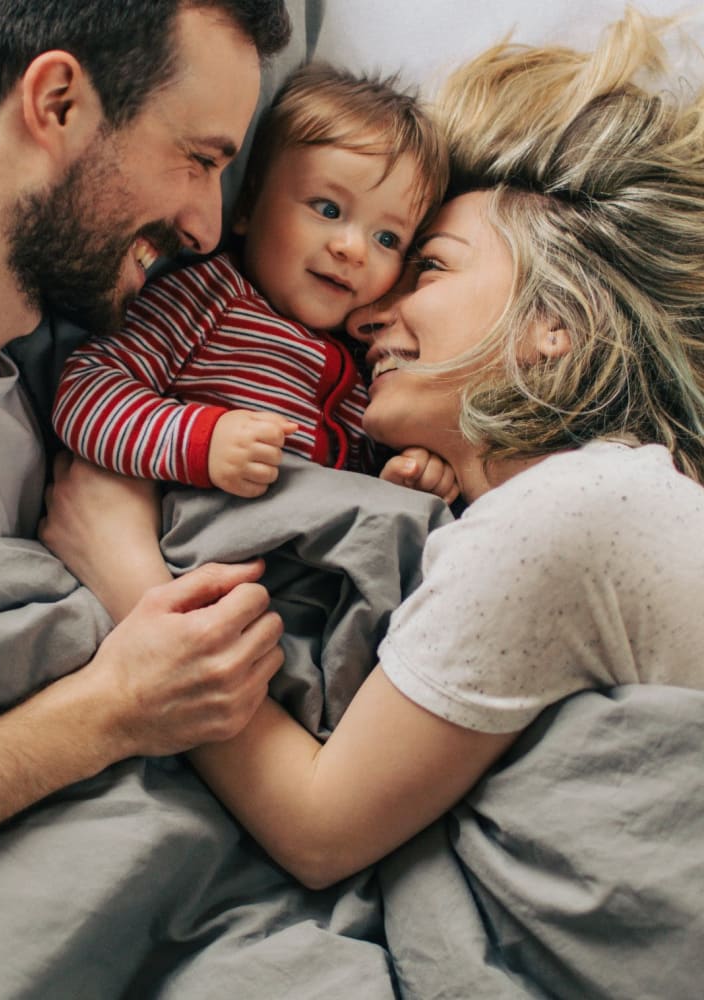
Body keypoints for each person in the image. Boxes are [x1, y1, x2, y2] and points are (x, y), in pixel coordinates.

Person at [43, 7, 704, 889]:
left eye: (424, 263)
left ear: (558, 324)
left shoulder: (571, 509)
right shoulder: (567, 503)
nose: (367, 309)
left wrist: (126, 573)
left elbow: (320, 830)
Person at [0, 0, 292, 875]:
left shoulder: (23, 402)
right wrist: (112, 709)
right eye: (198, 160)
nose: (205, 226)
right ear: (59, 103)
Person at [51, 63, 451, 499]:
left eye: (387, 238)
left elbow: (351, 486)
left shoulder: (367, 359)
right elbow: (84, 390)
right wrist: (205, 442)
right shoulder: (205, 300)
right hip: (193, 525)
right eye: (328, 210)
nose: (353, 250)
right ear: (246, 207)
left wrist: (400, 478)